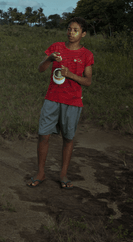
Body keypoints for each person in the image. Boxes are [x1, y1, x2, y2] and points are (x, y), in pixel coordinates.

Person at [27, 17, 94, 189]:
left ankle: (63, 174)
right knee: (43, 135)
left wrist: (70, 74)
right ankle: (41, 173)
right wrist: (49, 59)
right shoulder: (57, 47)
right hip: (52, 98)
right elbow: (40, 69)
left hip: (72, 101)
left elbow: (87, 81)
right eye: (69, 29)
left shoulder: (86, 55)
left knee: (68, 138)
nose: (71, 33)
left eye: (76, 30)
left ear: (83, 34)